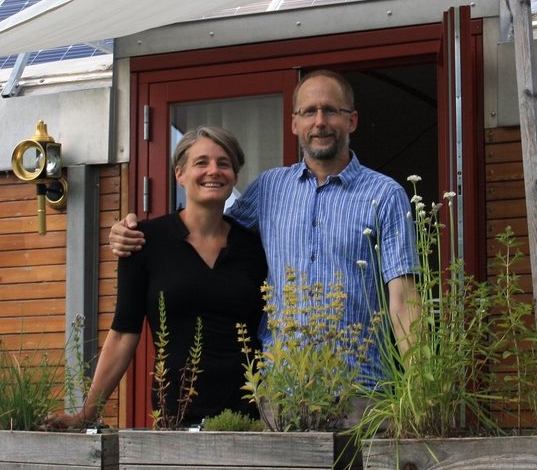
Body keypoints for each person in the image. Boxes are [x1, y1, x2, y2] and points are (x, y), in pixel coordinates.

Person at [110, 70, 418, 386]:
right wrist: (134, 230)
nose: (319, 122)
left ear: (351, 120)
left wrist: (420, 392)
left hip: (361, 387)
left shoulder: (385, 195)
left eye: (330, 110)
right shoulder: (270, 188)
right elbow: (209, 225)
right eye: (308, 112)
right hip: (281, 390)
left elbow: (404, 301)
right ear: (294, 123)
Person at [46, 126, 266, 429]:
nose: (213, 171)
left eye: (223, 163)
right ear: (180, 173)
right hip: (176, 417)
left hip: (250, 420)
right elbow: (123, 333)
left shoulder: (255, 247)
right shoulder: (143, 241)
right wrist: (87, 413)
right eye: (201, 162)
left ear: (235, 175)